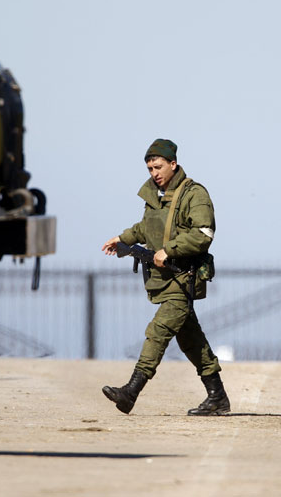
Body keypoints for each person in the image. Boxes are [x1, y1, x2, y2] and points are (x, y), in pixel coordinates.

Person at [100, 138, 230, 416]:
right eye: (150, 169)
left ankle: (131, 391)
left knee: (158, 332)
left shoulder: (194, 194)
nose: (154, 173)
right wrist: (122, 238)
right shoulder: (156, 196)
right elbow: (147, 227)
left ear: (173, 164)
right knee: (192, 341)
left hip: (183, 278)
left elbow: (203, 234)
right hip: (164, 279)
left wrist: (169, 250)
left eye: (158, 167)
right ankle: (218, 397)